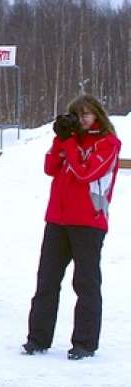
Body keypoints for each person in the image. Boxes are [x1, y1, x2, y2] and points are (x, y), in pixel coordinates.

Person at [23, 96, 120, 359]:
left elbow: (86, 173)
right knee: (47, 280)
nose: (83, 119)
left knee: (85, 283)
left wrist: (69, 143)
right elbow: (50, 167)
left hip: (89, 221)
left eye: (87, 114)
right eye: (78, 114)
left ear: (98, 115)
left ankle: (85, 343)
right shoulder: (71, 140)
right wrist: (60, 139)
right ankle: (38, 338)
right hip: (58, 219)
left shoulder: (108, 143)